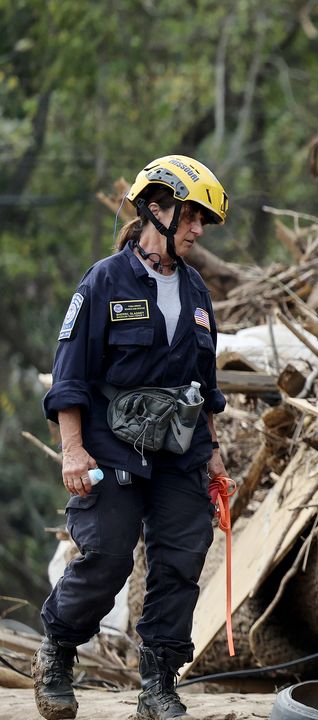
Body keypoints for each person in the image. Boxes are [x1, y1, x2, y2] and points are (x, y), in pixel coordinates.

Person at [34, 155, 230, 720]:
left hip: (181, 454)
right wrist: (73, 450)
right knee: (109, 557)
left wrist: (213, 454)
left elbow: (205, 387)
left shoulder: (196, 294)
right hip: (111, 448)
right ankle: (58, 650)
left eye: (202, 221)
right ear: (155, 209)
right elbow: (69, 377)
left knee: (179, 562)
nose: (197, 230)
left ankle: (158, 686)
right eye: (191, 217)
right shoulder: (103, 282)